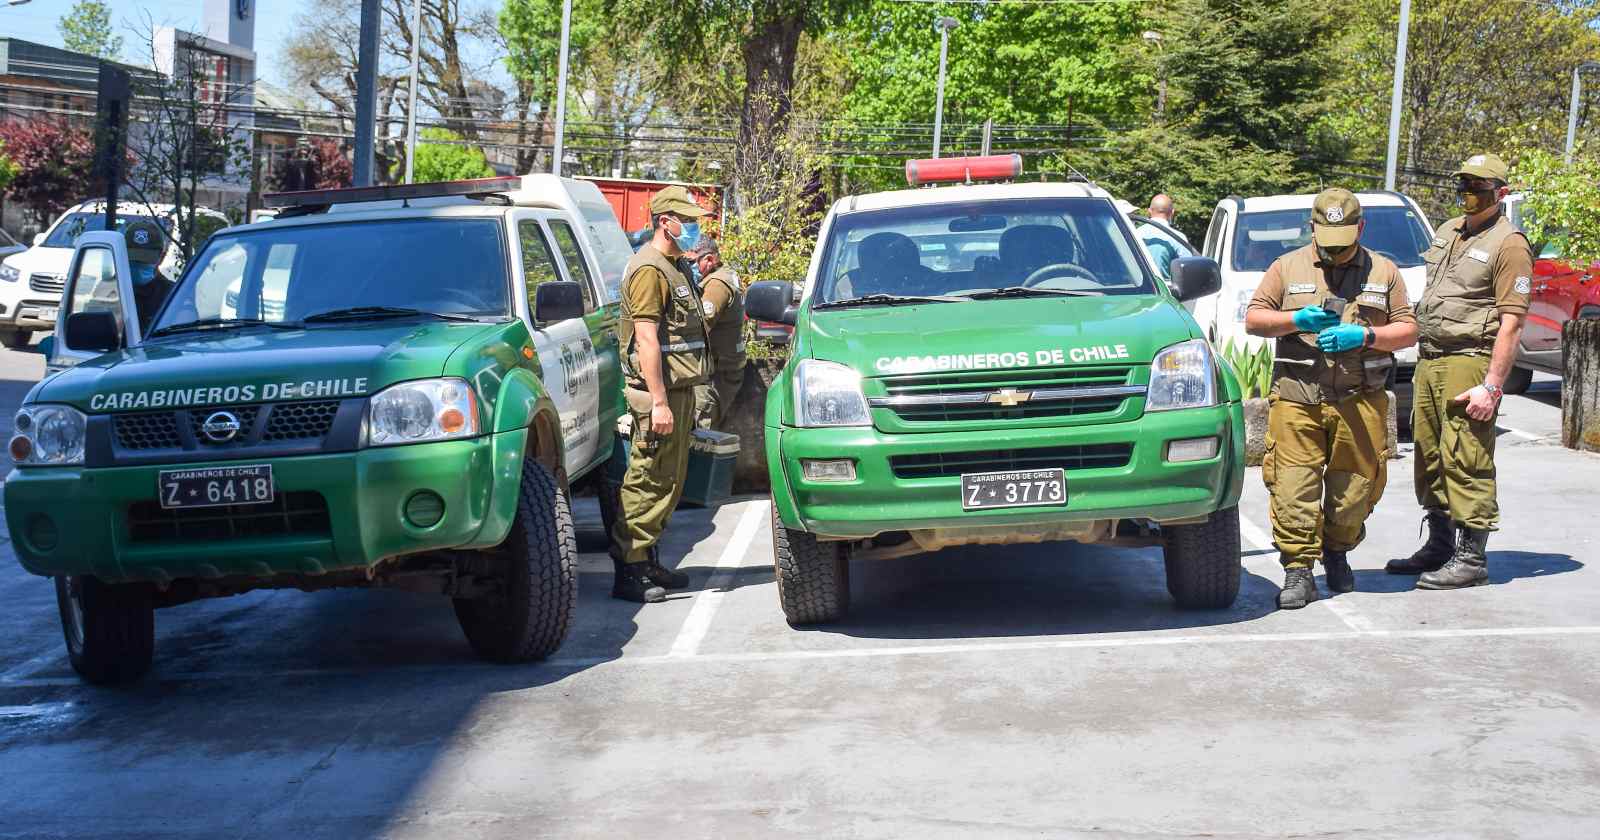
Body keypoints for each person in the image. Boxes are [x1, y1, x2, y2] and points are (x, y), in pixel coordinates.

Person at [1245, 188, 1418, 609]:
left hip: (1360, 399)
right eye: (1327, 241)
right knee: (1293, 487)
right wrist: (1295, 319)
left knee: (1354, 492)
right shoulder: (1286, 267)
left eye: (1344, 241)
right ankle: (1298, 570)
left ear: (1361, 228)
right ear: (1312, 228)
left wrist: (1366, 335)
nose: (1335, 250)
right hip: (1297, 398)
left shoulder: (1384, 271)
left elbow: (1409, 330)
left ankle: (1337, 551)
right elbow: (1254, 318)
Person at [1387, 154, 1532, 589]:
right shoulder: (1449, 230)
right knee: (1430, 455)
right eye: (1464, 185)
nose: (1468, 194)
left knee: (1466, 455)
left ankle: (1471, 558)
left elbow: (1512, 323)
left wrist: (1492, 386)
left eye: (1478, 187)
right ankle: (1440, 544)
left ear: (1500, 193)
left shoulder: (1510, 244)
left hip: (1470, 359)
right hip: (1431, 359)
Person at [609, 185, 713, 603]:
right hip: (658, 395)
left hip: (679, 391)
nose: (693, 227)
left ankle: (648, 557)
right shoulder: (648, 269)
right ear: (665, 222)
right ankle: (629, 568)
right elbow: (647, 339)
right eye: (686, 221)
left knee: (669, 481)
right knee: (647, 478)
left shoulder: (676, 266)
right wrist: (658, 402)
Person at [686, 237, 746, 431]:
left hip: (717, 373)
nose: (688, 267)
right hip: (723, 367)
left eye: (691, 262)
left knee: (699, 430)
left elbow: (698, 325)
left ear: (710, 260)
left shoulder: (716, 285)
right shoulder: (725, 274)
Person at [125, 218, 175, 333]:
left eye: (145, 260)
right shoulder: (110, 289)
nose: (138, 264)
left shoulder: (172, 295)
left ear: (161, 257)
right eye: (133, 259)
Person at [1135, 194, 1188, 280]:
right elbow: (1187, 271)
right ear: (1172, 212)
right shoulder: (1179, 238)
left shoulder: (1135, 233)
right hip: (1167, 288)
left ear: (1149, 211)